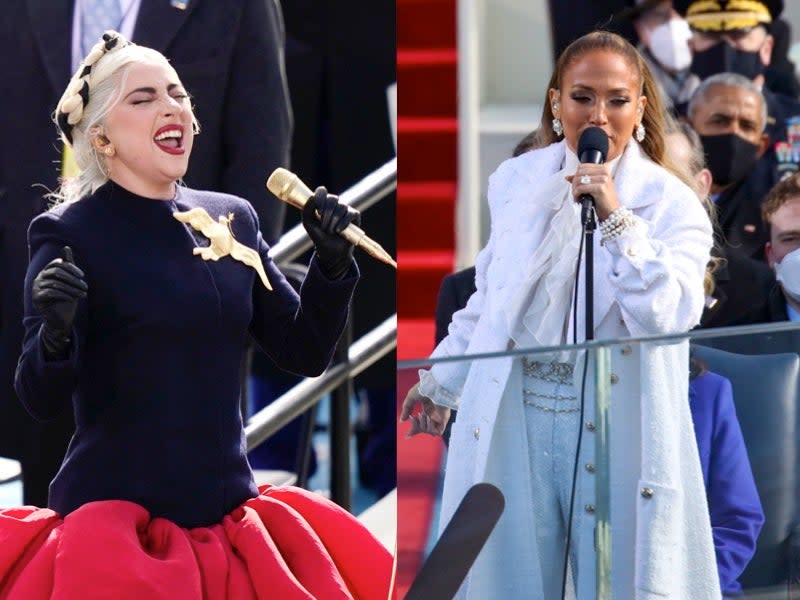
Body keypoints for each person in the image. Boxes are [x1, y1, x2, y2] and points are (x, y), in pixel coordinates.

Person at [0, 32, 390, 599]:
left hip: (228, 521)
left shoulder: (232, 216)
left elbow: (304, 353)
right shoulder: (67, 231)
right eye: (144, 98)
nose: (171, 106)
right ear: (103, 136)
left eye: (178, 93)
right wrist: (56, 334)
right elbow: (39, 397)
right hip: (115, 538)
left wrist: (332, 268)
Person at [401, 30, 719, 598]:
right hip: (519, 408)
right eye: (582, 97)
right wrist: (443, 379)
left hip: (616, 412)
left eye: (617, 99)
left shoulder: (672, 203)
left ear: (641, 108)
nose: (599, 113)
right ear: (556, 103)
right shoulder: (518, 181)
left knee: (612, 577)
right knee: (513, 578)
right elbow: (491, 297)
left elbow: (669, 315)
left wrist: (617, 219)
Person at [0, 0, 293, 507]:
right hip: (44, 278)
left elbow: (260, 138)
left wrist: (235, 284)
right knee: (57, 502)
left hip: (186, 302)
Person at [664, 119, 776, 326]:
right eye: (639, 178)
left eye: (671, 178)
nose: (653, 192)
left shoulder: (757, 287)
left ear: (701, 185)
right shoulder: (589, 271)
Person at [677, 0, 800, 182]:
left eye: (738, 34)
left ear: (767, 49)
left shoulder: (794, 119)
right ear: (692, 48)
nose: (726, 48)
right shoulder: (667, 124)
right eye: (711, 34)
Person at [686, 72, 772, 261]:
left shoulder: (774, 213)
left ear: (761, 145)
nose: (733, 132)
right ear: (688, 129)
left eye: (747, 126)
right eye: (720, 121)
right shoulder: (655, 191)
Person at [617, 0, 699, 113]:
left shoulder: (713, 66)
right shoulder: (624, 80)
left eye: (681, 12)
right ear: (640, 28)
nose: (673, 22)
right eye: (659, 15)